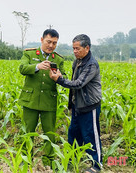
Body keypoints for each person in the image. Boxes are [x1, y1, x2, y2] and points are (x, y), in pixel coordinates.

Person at [49, 34, 102, 173]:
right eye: (73, 48)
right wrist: (71, 104)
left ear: (87, 48)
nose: (75, 51)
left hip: (90, 106)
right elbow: (73, 80)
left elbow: (78, 84)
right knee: (73, 135)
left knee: (90, 136)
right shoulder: (77, 61)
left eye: (77, 48)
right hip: (78, 106)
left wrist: (59, 80)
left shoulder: (91, 64)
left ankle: (97, 165)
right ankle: (71, 160)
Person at [18, 29, 66, 167]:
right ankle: (26, 160)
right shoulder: (29, 53)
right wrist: (37, 66)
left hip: (48, 101)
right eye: (48, 42)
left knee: (50, 133)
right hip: (30, 100)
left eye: (54, 43)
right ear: (42, 40)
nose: (51, 46)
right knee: (28, 132)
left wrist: (59, 77)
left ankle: (49, 161)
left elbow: (65, 78)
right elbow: (22, 68)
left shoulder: (58, 59)